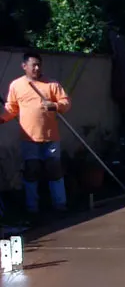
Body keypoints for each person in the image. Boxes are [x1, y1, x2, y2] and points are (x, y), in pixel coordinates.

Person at [0, 52, 71, 215]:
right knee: (32, 170)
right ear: (24, 66)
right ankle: (32, 207)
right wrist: (2, 119)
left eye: (39, 65)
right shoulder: (16, 85)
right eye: (33, 65)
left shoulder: (51, 84)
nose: (37, 68)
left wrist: (54, 106)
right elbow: (11, 109)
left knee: (54, 169)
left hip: (50, 135)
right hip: (29, 137)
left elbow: (65, 103)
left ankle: (60, 204)